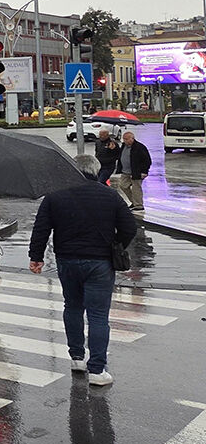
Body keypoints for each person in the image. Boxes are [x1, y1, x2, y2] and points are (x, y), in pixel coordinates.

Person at [29, 154, 136, 387]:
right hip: (100, 262)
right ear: (96, 171)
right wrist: (116, 244)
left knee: (73, 307)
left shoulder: (55, 195)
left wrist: (35, 257)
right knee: (98, 315)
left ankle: (77, 358)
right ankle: (97, 370)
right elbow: (129, 227)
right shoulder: (110, 195)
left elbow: (41, 228)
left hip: (67, 260)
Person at [112, 130, 151, 211]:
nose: (125, 141)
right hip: (125, 171)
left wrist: (144, 171)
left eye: (127, 139)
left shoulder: (139, 147)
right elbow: (119, 155)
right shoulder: (123, 146)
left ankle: (139, 205)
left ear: (132, 138)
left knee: (136, 189)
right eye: (124, 139)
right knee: (123, 186)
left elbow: (147, 160)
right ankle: (134, 202)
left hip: (136, 172)